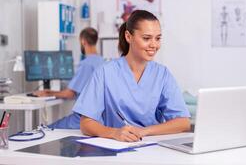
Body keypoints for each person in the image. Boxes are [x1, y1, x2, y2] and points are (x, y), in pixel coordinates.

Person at [73, 10, 191, 142]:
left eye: (157, 38)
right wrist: (114, 133)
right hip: (116, 147)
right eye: (146, 38)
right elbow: (86, 123)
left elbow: (183, 122)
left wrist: (144, 131)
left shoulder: (162, 74)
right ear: (128, 37)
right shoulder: (105, 73)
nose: (154, 45)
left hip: (153, 147)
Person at [33, 27, 105, 129]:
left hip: (83, 119)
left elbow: (70, 94)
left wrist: (48, 93)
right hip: (99, 118)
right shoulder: (102, 61)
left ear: (83, 41)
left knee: (45, 129)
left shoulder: (86, 64)